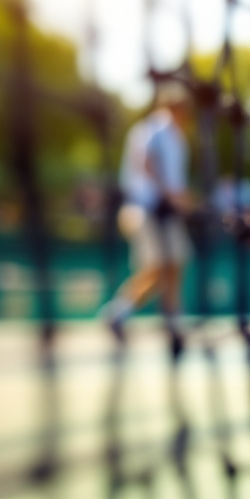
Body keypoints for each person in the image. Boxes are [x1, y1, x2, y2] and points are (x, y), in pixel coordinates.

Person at [100, 81, 194, 350]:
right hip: (145, 209)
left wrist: (181, 200)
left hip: (166, 213)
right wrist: (171, 195)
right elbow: (146, 164)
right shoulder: (151, 129)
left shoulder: (178, 138)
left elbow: (175, 179)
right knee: (156, 268)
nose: (183, 112)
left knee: (174, 264)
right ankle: (117, 315)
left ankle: (173, 325)